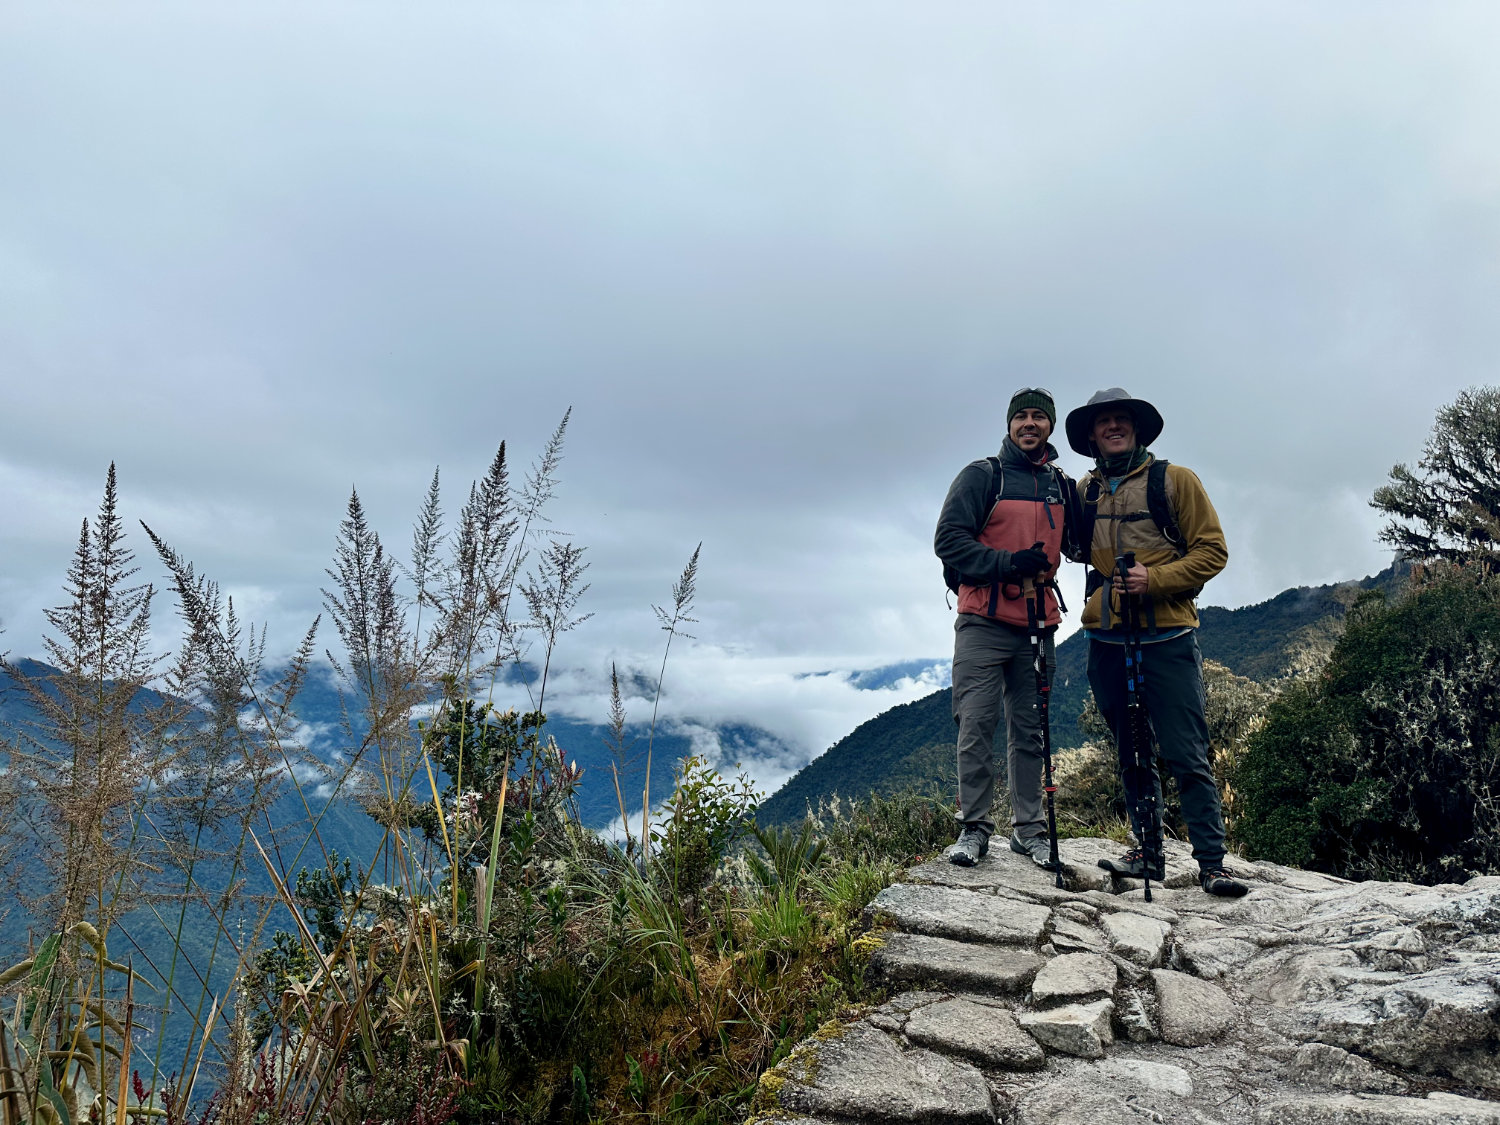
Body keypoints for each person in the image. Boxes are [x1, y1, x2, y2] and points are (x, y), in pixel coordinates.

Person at [1063, 388, 1248, 897]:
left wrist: (1156, 578)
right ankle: (1147, 852)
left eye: (1122, 420)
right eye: (1104, 423)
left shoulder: (1175, 482)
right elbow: (1064, 543)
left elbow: (1213, 552)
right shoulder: (1085, 492)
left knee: (1186, 752)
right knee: (1131, 749)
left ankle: (1213, 863)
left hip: (1167, 634)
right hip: (1107, 637)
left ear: (1137, 429)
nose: (1114, 427)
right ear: (1092, 436)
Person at [934, 388, 1074, 868]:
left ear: (1051, 426)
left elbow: (1081, 543)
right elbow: (948, 541)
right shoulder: (982, 476)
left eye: (1039, 417)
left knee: (1030, 731)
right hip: (983, 623)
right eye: (1022, 417)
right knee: (975, 725)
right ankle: (974, 829)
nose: (1029, 424)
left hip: (1038, 624)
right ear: (1010, 424)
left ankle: (1029, 831)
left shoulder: (1062, 485)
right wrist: (1011, 562)